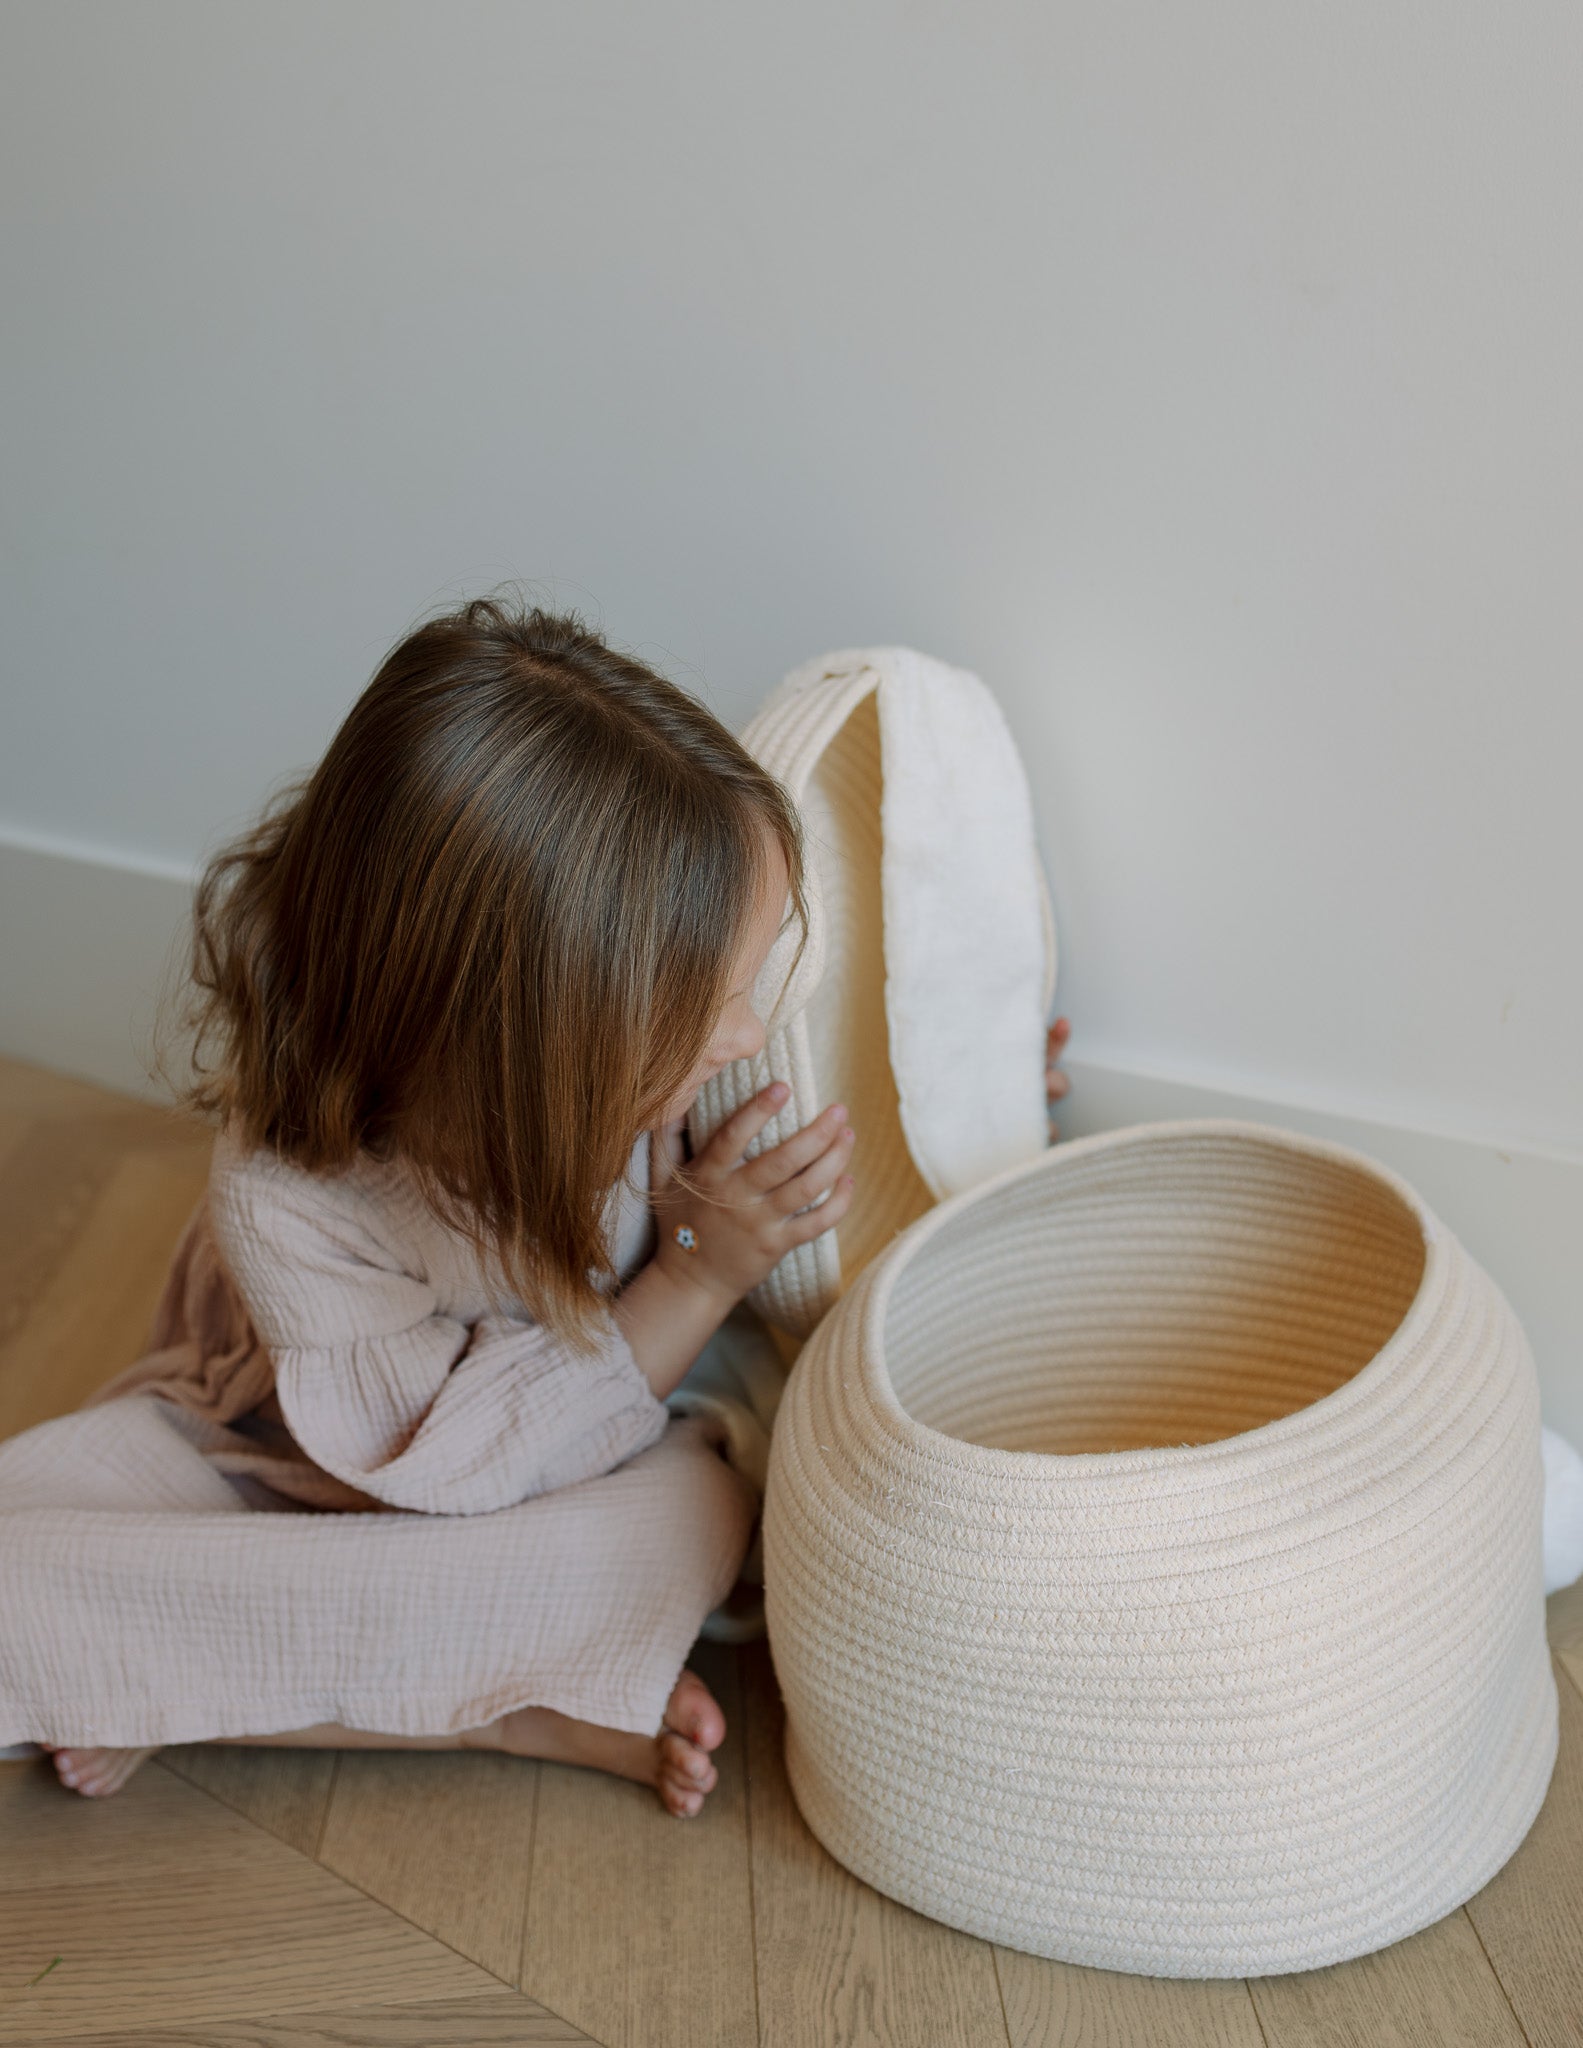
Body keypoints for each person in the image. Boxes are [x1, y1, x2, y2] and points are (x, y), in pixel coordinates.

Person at [0, 593, 1071, 1814]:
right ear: (520, 1046)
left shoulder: (652, 1036)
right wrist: (692, 1272)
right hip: (306, 1464)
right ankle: (479, 1704)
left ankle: (191, 1669)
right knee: (25, 1550)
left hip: (594, 1435)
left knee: (701, 1504)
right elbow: (429, 1473)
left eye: (752, 978)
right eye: (711, 1003)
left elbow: (828, 1116)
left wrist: (964, 1092)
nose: (745, 1030)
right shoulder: (287, 1194)